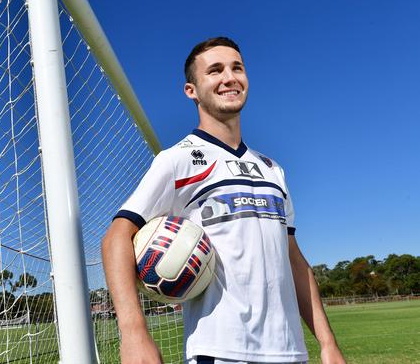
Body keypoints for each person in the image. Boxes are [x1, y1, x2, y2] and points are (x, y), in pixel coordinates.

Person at [101, 37, 346, 364]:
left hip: (291, 353)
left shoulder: (273, 170)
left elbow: (295, 261)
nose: (229, 77)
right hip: (220, 352)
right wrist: (133, 332)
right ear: (192, 91)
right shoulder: (177, 160)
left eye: (237, 68)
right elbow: (116, 236)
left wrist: (327, 344)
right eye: (215, 71)